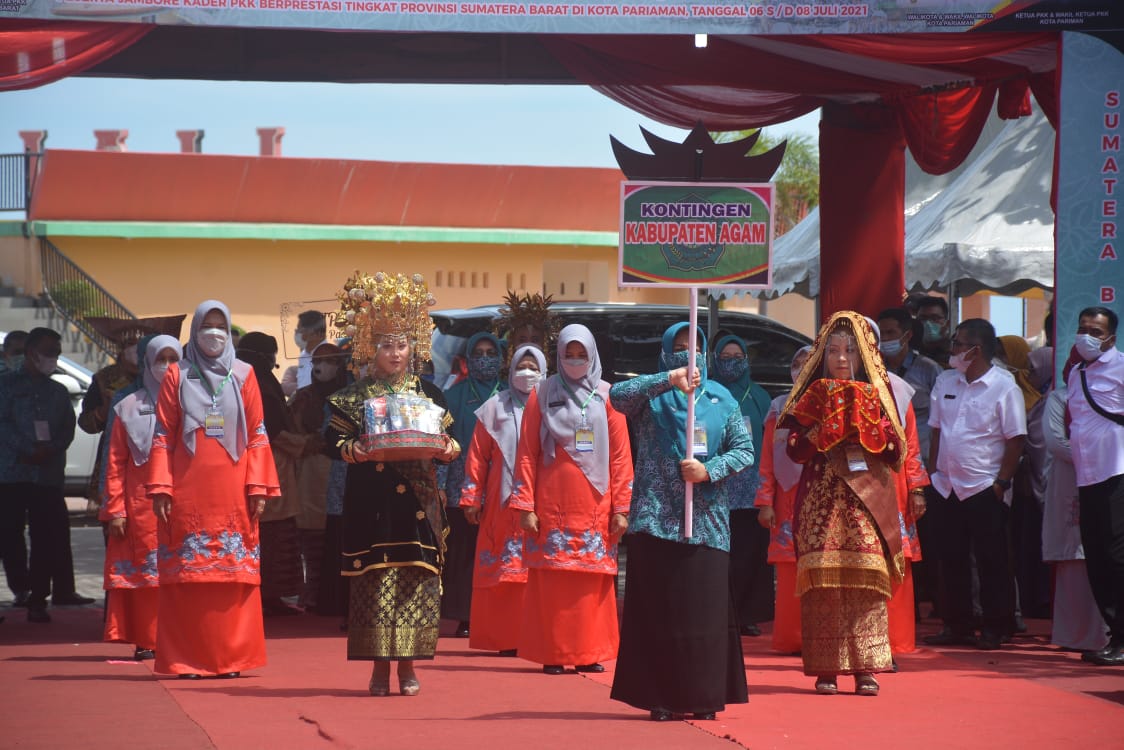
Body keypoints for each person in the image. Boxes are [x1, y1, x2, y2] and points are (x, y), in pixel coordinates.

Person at [323, 271, 459, 696]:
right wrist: (356, 451)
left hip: (418, 503)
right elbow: (332, 442)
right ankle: (379, 670)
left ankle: (408, 667)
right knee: (377, 584)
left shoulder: (430, 394)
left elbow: (451, 441)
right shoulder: (353, 397)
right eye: (386, 345)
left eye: (402, 344)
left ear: (413, 346)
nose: (395, 353)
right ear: (370, 348)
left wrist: (445, 450)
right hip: (373, 503)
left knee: (416, 584)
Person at [609, 322, 752, 721]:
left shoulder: (722, 399)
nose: (688, 355)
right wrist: (666, 379)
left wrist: (710, 470)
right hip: (656, 519)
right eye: (679, 347)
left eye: (695, 348)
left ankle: (704, 696)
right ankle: (661, 697)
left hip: (706, 524)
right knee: (661, 613)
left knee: (703, 615)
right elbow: (618, 397)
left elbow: (744, 451)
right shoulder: (652, 399)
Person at [147, 301, 281, 678]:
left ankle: (231, 658)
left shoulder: (244, 374)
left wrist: (258, 486)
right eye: (208, 325)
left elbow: (257, 434)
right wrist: (161, 486)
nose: (214, 333)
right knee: (189, 577)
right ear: (195, 329)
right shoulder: (177, 374)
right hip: (187, 488)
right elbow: (162, 434)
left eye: (221, 326)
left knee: (231, 577)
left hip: (234, 491)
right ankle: (187, 659)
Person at [777, 312, 906, 696]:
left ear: (864, 354)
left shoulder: (878, 394)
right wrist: (822, 429)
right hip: (821, 500)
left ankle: (867, 668)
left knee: (867, 583)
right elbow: (795, 450)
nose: (842, 358)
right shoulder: (811, 393)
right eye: (833, 350)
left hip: (866, 500)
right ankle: (825, 669)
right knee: (823, 585)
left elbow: (896, 449)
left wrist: (868, 430)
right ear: (822, 354)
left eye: (850, 350)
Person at [509, 324, 632, 676]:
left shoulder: (610, 396)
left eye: (582, 354)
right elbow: (528, 453)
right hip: (551, 504)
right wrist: (524, 505)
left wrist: (622, 507)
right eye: (569, 354)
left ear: (593, 354)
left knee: (590, 583)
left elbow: (621, 457)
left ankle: (589, 651)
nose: (575, 361)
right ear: (559, 355)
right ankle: (553, 652)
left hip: (596, 504)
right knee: (554, 582)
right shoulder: (542, 394)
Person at [924, 319, 1025, 651]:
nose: (952, 350)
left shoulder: (1004, 386)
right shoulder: (945, 380)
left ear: (976, 350)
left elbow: (1015, 440)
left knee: (992, 559)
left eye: (958, 344)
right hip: (946, 484)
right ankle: (958, 625)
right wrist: (933, 474)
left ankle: (998, 626)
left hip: (984, 484)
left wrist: (1002, 483)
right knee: (950, 558)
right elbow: (937, 431)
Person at [460, 344, 547, 655]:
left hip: (542, 499)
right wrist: (472, 496)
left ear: (544, 372)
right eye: (522, 367)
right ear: (510, 371)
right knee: (503, 571)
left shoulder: (553, 405)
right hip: (500, 499)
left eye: (534, 368)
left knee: (534, 572)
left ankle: (535, 635)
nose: (528, 374)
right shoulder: (494, 407)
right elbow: (478, 456)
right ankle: (505, 637)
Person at [100, 334, 181, 660]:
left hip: (184, 501)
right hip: (141, 502)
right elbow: (115, 460)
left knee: (182, 573)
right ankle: (148, 639)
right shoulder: (128, 406)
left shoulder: (194, 402)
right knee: (148, 575)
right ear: (147, 362)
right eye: (160, 359)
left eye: (172, 359)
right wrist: (115, 508)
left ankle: (182, 638)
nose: (166, 367)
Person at [0, 327, 84, 622]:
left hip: (46, 475)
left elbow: (67, 428)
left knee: (45, 537)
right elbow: (3, 423)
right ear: (32, 352)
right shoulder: (6, 386)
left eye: (57, 353)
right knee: (9, 534)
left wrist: (52, 448)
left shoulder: (58, 391)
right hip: (12, 473)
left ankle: (38, 597)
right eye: (49, 352)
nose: (53, 358)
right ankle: (20, 588)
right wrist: (26, 448)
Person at [1064, 306, 1124, 666]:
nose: (1087, 335)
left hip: (1117, 471)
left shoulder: (1122, 366)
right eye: (1083, 328)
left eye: (1096, 331)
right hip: (1087, 474)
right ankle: (1114, 635)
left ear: (1111, 338)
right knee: (1097, 557)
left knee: (1118, 557)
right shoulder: (1077, 372)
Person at [709, 332, 773, 637]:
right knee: (722, 554)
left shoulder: (760, 397)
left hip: (751, 487)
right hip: (718, 483)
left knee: (750, 553)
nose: (731, 363)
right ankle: (719, 612)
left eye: (738, 358)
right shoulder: (708, 394)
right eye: (725, 358)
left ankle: (747, 613)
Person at [443, 331, 505, 637]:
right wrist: (441, 484)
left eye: (489, 353)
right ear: (467, 359)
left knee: (499, 548)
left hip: (503, 485)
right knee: (465, 550)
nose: (484, 359)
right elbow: (441, 444)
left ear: (501, 358)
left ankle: (499, 610)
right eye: (477, 353)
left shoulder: (510, 393)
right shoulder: (454, 395)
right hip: (461, 483)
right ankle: (465, 614)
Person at [237, 332, 304, 616]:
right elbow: (274, 431)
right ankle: (267, 595)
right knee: (271, 533)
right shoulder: (260, 385)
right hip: (271, 465)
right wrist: (307, 443)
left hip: (268, 465)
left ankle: (269, 595)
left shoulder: (251, 379)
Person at [1042, 384, 1109, 652]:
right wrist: (1092, 457)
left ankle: (1107, 634)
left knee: (1106, 553)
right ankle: (1073, 635)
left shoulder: (1113, 395)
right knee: (1073, 557)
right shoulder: (1060, 397)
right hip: (1070, 479)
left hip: (1108, 476)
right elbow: (1055, 440)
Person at [756, 345, 812, 655]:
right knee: (789, 570)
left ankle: (817, 638)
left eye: (808, 362)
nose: (802, 368)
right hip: (785, 500)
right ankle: (791, 637)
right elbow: (767, 458)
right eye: (797, 363)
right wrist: (765, 500)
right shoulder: (778, 406)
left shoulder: (827, 402)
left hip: (819, 494)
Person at [288, 342, 348, 612]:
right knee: (311, 540)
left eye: (331, 360)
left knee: (336, 538)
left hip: (341, 473)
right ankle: (311, 594)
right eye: (318, 361)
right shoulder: (302, 397)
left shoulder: (350, 395)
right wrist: (307, 442)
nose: (323, 367)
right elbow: (287, 431)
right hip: (310, 475)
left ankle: (334, 595)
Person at [999, 335, 1051, 623]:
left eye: (1032, 366)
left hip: (1034, 488)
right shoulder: (1020, 393)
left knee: (1033, 546)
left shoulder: (1036, 399)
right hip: (1019, 488)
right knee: (1021, 546)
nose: (1027, 372)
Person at [294, 310, 328, 390]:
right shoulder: (303, 355)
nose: (297, 333)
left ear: (314, 333)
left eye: (300, 330)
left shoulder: (328, 356)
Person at [916, 296, 952, 368]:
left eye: (935, 318)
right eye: (923, 318)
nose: (928, 323)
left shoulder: (955, 353)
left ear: (947, 323)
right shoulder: (911, 352)